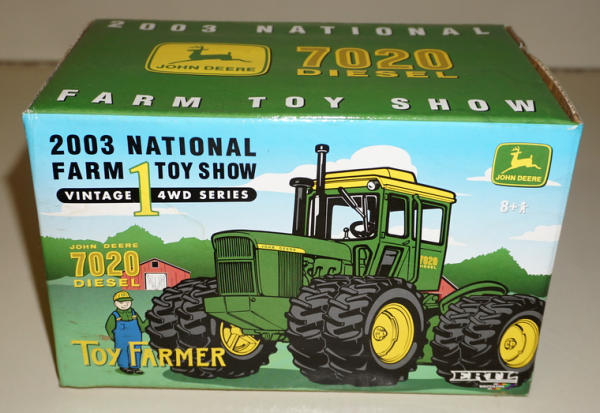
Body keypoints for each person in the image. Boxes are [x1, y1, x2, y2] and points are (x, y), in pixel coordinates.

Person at [105, 290, 149, 374]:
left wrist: (149, 319)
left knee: (136, 350)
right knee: (122, 351)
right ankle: (124, 367)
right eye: (121, 302)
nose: (125, 304)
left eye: (127, 302)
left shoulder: (134, 314)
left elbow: (142, 327)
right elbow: (109, 327)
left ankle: (135, 367)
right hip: (121, 340)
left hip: (135, 339)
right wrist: (113, 338)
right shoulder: (114, 316)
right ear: (115, 303)